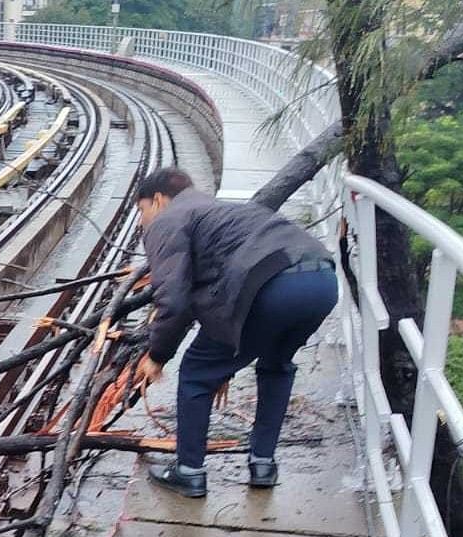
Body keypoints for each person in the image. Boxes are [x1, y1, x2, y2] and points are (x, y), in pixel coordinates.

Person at [132, 168, 337, 498]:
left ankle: (189, 472)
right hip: (322, 281)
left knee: (197, 373)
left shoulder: (169, 219)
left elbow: (174, 299)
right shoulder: (222, 211)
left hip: (272, 287)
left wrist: (157, 354)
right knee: (276, 366)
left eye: (141, 211)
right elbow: (216, 282)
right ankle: (263, 464)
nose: (142, 222)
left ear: (158, 199)